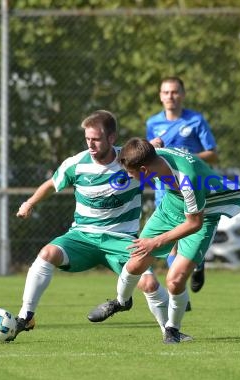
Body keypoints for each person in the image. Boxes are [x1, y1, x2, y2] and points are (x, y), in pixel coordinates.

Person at [10, 110, 190, 342]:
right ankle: (25, 317)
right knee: (48, 253)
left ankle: (169, 332)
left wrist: (152, 147)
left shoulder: (131, 163)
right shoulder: (76, 163)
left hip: (122, 239)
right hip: (82, 237)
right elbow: (51, 184)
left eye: (96, 139)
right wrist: (29, 202)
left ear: (112, 138)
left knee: (149, 282)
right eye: (87, 139)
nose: (91, 144)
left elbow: (155, 162)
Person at [88, 138, 240, 343]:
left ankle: (173, 330)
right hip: (170, 208)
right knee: (135, 262)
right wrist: (154, 143)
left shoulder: (188, 179)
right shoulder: (154, 157)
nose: (128, 176)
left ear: (144, 170)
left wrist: (156, 242)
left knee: (175, 281)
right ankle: (121, 301)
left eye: (131, 173)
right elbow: (150, 149)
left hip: (201, 217)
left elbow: (194, 223)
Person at [145, 76, 217, 294]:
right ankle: (179, 289)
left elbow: (213, 154)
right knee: (172, 239)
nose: (170, 96)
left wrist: (187, 159)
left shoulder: (195, 120)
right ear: (160, 96)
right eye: (166, 92)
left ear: (183, 95)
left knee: (191, 227)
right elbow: (149, 154)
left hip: (192, 185)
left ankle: (197, 263)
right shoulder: (153, 123)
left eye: (175, 92)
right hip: (164, 188)